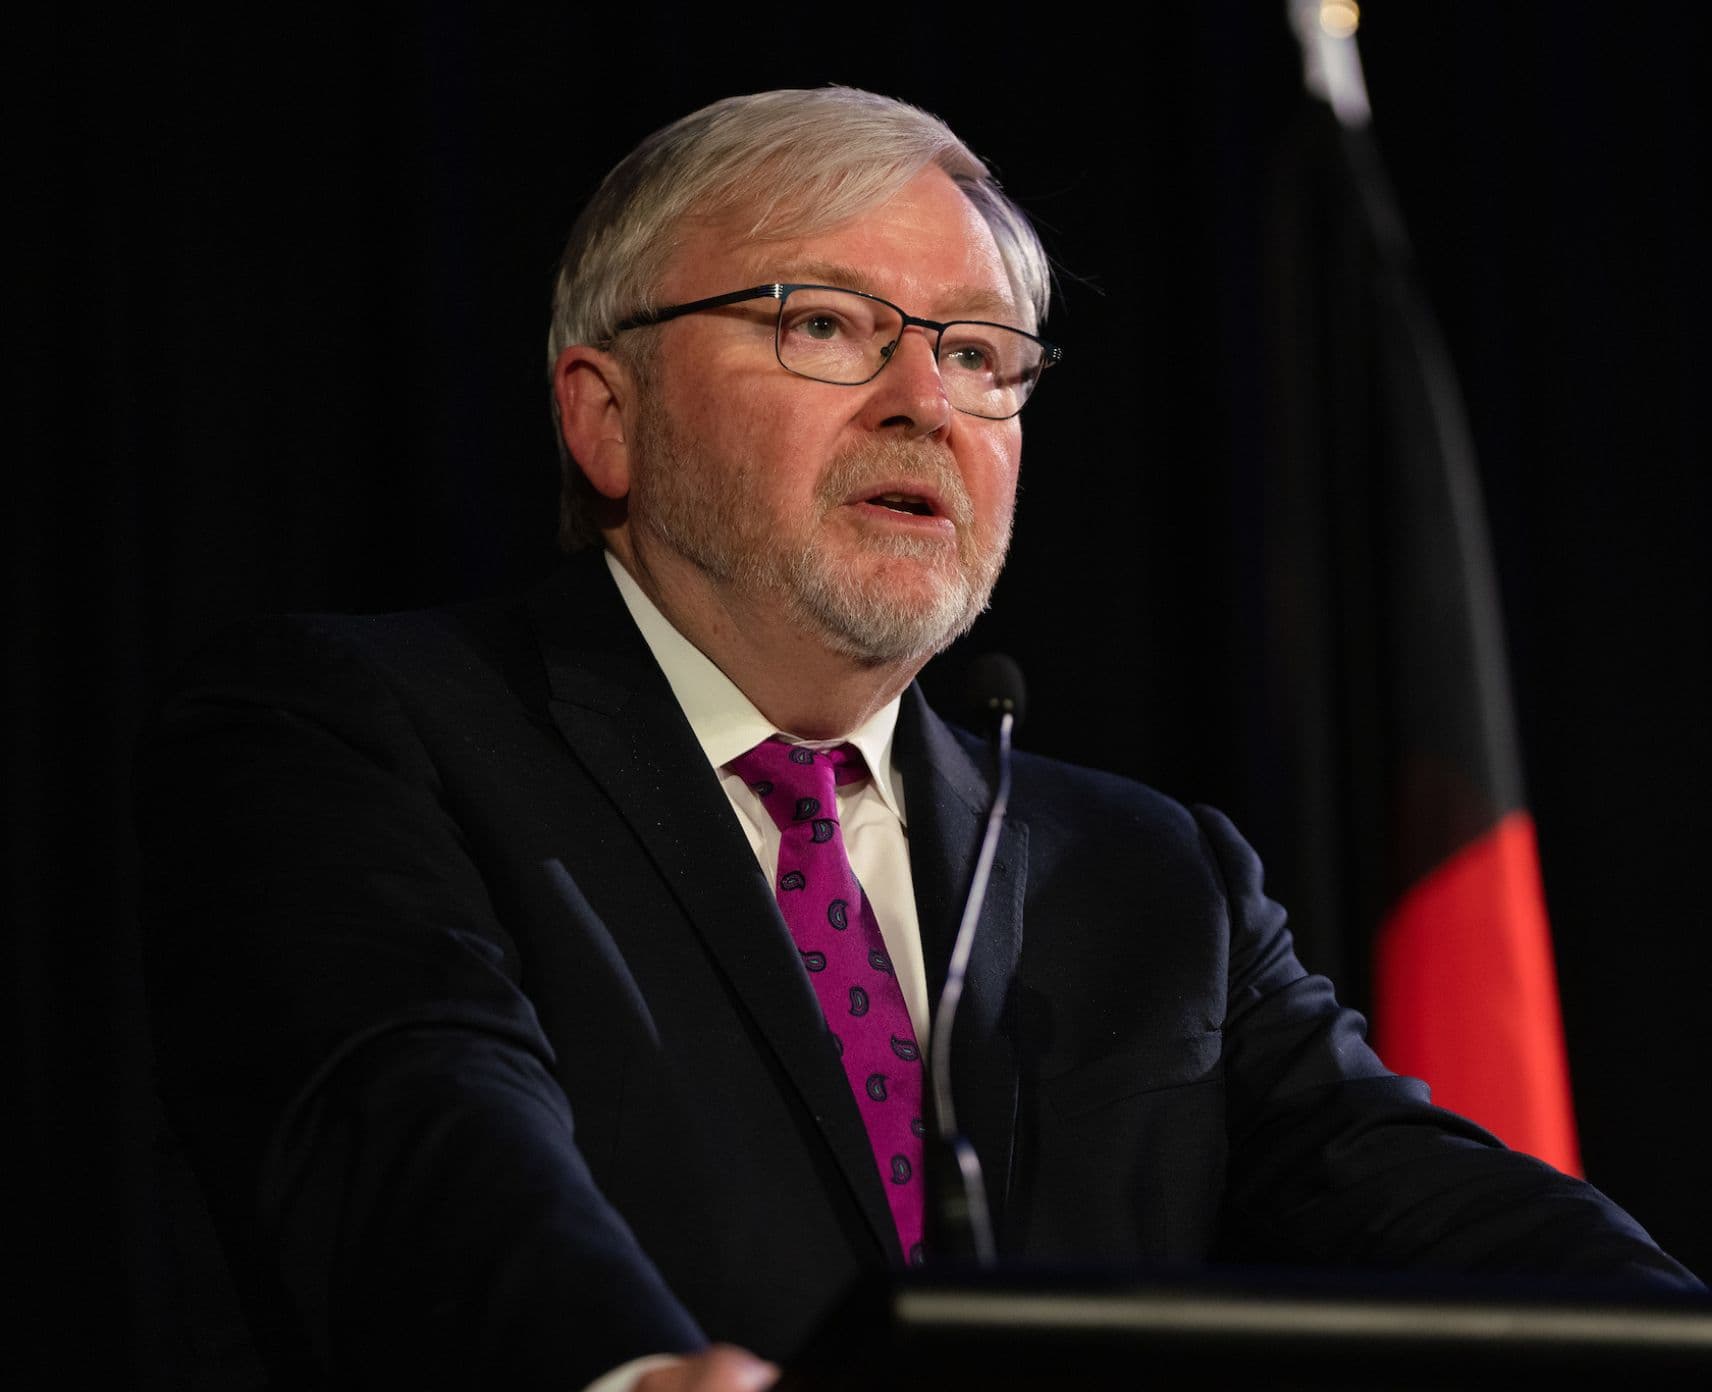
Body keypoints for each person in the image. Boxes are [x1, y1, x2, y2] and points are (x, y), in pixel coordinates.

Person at [137, 87, 1698, 1391]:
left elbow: (1444, 1217)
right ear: (604, 415)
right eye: (825, 324)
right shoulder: (360, 734)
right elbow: (419, 1119)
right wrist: (624, 1375)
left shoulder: (1149, 880)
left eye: (975, 354)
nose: (922, 403)